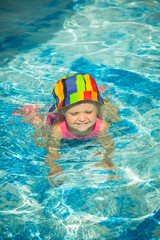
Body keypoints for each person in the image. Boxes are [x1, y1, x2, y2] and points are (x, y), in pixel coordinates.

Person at [12, 73, 120, 186]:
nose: (82, 119)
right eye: (74, 113)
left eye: (89, 112)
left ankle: (98, 92)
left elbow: (109, 145)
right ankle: (30, 110)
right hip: (51, 119)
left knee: (114, 115)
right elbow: (52, 150)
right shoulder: (59, 128)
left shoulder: (101, 126)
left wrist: (108, 160)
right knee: (40, 135)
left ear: (97, 109)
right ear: (63, 112)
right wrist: (54, 167)